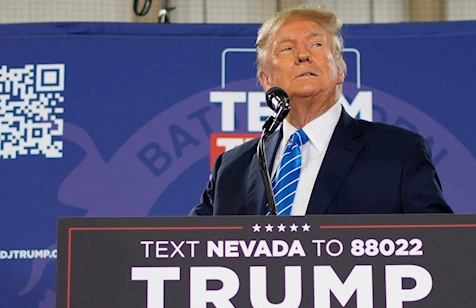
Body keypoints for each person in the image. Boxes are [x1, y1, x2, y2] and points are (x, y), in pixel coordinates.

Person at [190, 5, 452, 216]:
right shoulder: (232, 168)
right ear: (266, 80)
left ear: (339, 70)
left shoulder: (398, 153)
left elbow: (439, 247)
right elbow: (190, 249)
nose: (303, 55)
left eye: (316, 45)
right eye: (287, 48)